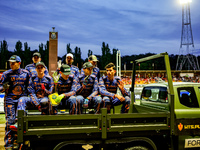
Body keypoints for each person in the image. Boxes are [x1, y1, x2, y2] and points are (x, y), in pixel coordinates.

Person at [0, 55, 30, 149]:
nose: (11, 65)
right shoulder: (6, 74)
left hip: (21, 101)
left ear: (19, 63)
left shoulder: (26, 73)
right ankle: (9, 144)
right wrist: (3, 88)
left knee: (20, 122)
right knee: (10, 122)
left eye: (13, 63)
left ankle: (19, 143)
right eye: (10, 63)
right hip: (10, 100)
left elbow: (29, 87)